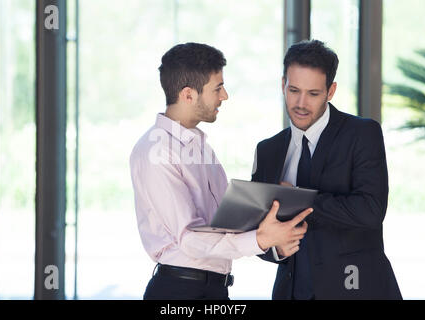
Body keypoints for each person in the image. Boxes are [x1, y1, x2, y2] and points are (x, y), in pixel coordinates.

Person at [130, 42, 312, 300]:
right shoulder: (155, 152)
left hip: (213, 288)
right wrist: (260, 239)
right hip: (180, 292)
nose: (224, 96)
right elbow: (190, 239)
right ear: (188, 95)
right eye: (217, 88)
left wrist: (272, 206)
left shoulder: (199, 147)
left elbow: (223, 222)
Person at [252, 39, 402, 300]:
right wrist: (276, 249)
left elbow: (370, 211)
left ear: (330, 91)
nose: (300, 103)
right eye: (294, 90)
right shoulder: (268, 150)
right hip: (292, 290)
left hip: (356, 288)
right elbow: (258, 231)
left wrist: (298, 198)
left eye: (313, 94)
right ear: (282, 85)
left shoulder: (362, 134)